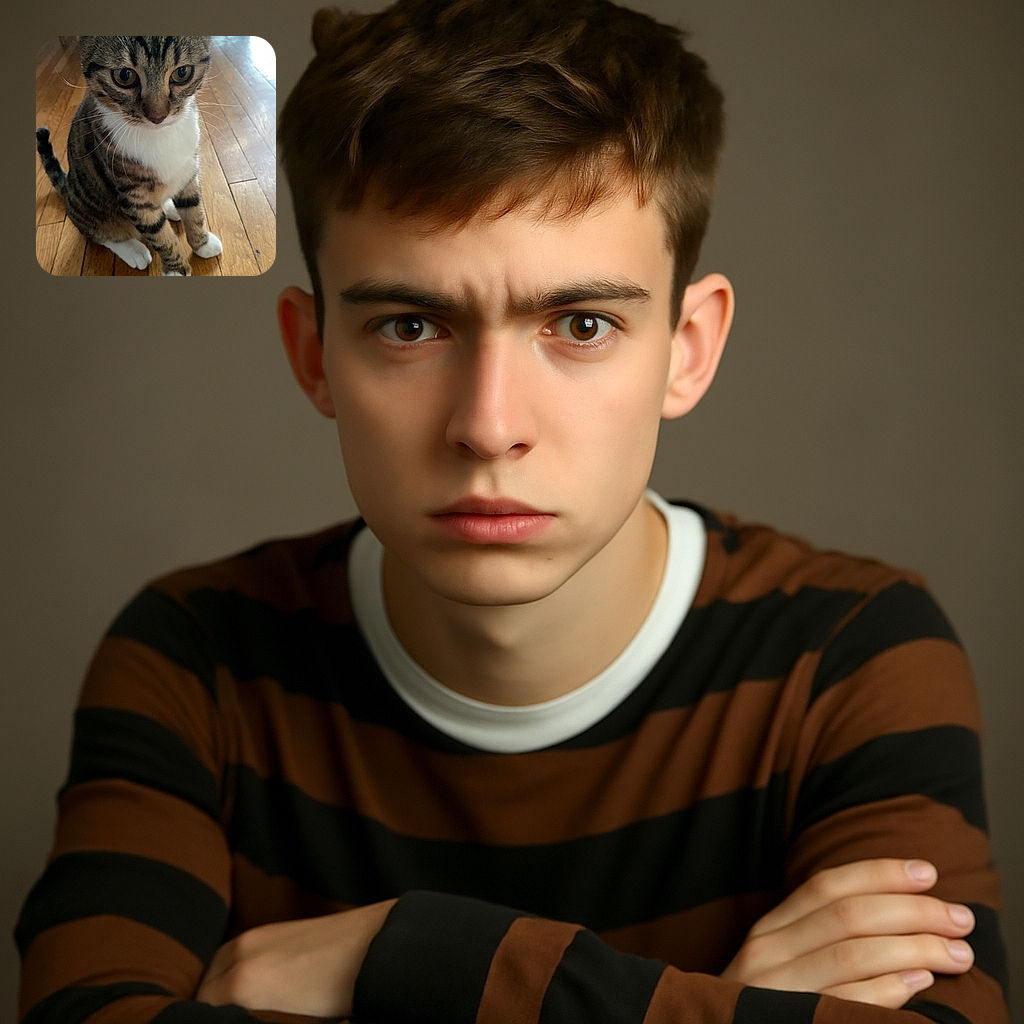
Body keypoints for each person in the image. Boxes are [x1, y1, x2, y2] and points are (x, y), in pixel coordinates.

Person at [16, 1, 1009, 1021]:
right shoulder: (195, 661)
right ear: (314, 354)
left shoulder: (848, 655)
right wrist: (718, 1008)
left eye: (580, 323)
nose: (489, 427)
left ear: (688, 347)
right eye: (411, 325)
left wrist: (406, 956)